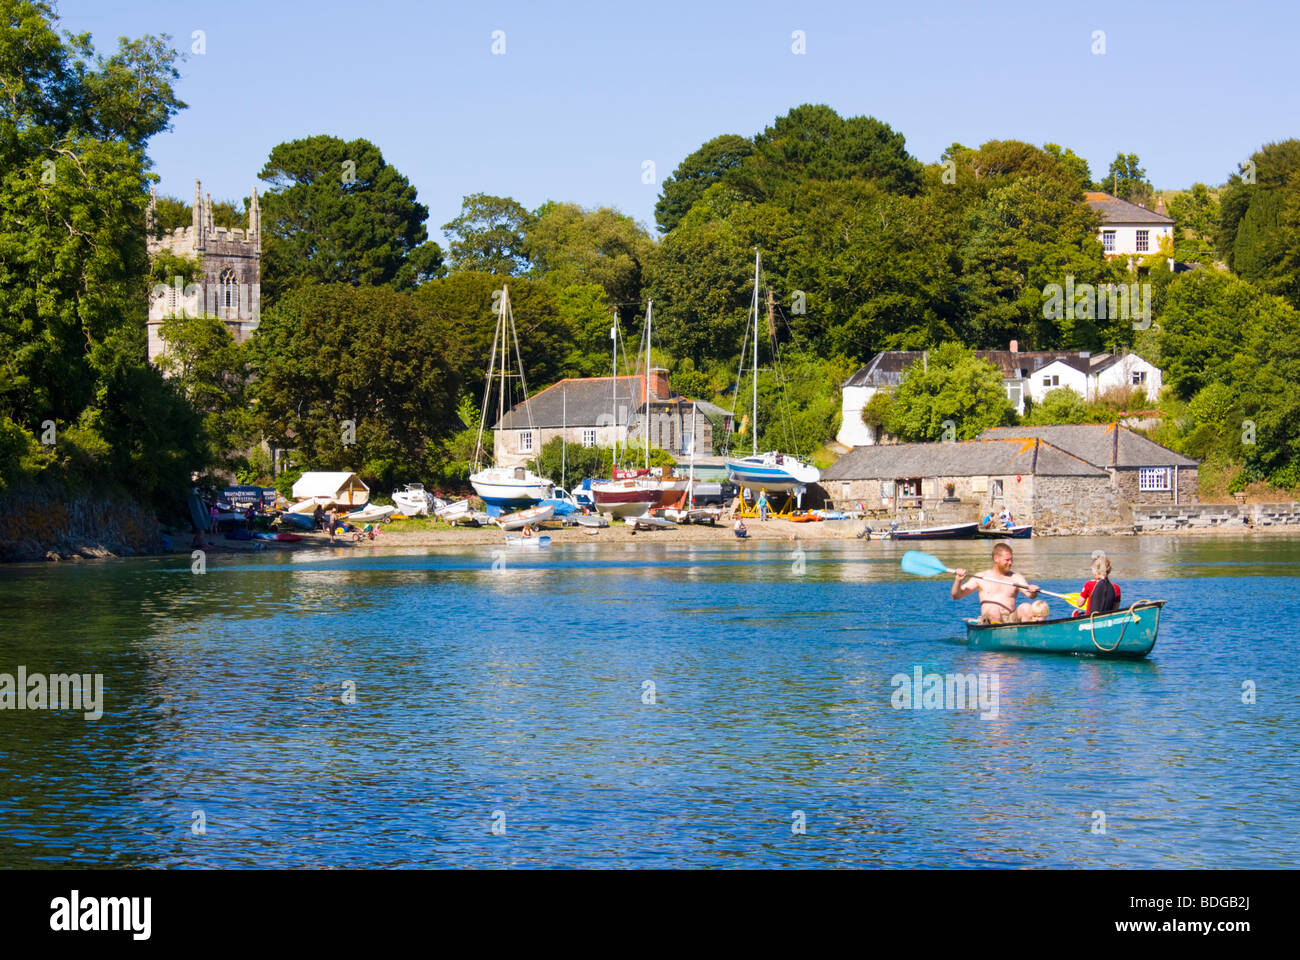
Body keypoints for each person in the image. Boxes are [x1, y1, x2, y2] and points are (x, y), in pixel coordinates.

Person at [952, 542, 1041, 624]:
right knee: (994, 610)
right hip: (989, 621)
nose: (1010, 563)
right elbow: (956, 596)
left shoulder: (1016, 577)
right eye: (1007, 560)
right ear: (996, 559)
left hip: (1010, 620)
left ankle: (1026, 637)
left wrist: (1032, 591)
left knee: (1026, 607)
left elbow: (1030, 595)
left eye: (1011, 559)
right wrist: (958, 580)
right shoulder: (980, 577)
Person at [1073, 550, 1121, 617]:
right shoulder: (1117, 588)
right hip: (1107, 618)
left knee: (1075, 612)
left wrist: (1084, 595)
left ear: (1096, 571)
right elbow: (1116, 609)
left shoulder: (1089, 584)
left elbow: (1079, 604)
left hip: (1091, 619)